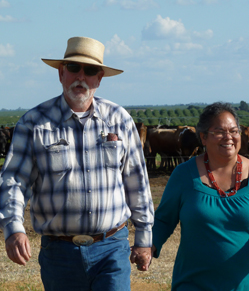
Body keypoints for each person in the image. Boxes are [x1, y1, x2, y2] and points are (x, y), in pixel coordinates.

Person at [0, 36, 154, 291]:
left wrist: (144, 238)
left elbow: (137, 182)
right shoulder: (34, 123)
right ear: (61, 73)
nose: (81, 76)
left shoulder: (120, 120)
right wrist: (14, 228)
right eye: (74, 68)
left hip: (112, 248)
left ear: (99, 78)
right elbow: (14, 181)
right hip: (59, 252)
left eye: (90, 70)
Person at [151, 102, 249, 291]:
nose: (228, 137)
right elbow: (164, 219)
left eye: (234, 130)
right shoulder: (183, 175)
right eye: (219, 131)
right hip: (194, 284)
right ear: (203, 137)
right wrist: (149, 246)